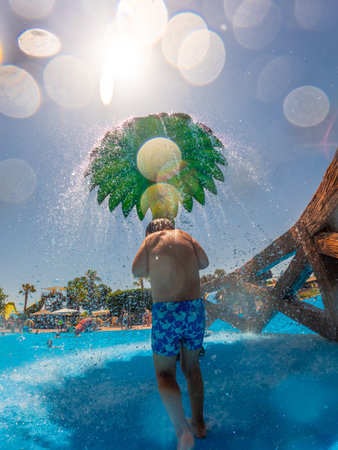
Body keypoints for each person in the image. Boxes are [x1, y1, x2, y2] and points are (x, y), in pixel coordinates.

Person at [132, 218, 209, 450]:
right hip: (194, 309)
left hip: (167, 311)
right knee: (192, 368)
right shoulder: (186, 236)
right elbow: (204, 262)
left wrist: (151, 267)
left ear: (150, 231)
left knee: (165, 374)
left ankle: (182, 431)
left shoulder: (150, 240)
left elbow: (136, 270)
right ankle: (198, 423)